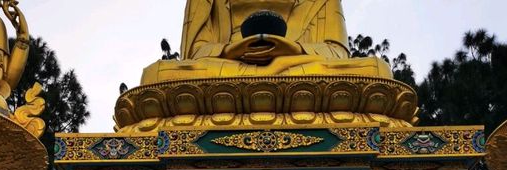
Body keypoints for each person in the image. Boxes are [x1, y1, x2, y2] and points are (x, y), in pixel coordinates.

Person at [141, 0, 393, 84]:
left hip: (299, 67)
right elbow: (195, 53)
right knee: (156, 75)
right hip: (226, 69)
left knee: (378, 71)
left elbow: (336, 52)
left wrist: (294, 49)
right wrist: (230, 50)